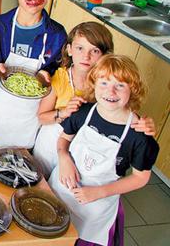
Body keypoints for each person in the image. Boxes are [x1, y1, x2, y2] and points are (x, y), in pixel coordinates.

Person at [49, 55, 159, 246]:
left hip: (95, 207)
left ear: (133, 90)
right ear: (94, 83)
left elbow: (141, 178)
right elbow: (64, 140)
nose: (111, 91)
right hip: (61, 190)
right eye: (104, 83)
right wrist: (64, 157)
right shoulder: (83, 112)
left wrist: (99, 192)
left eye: (120, 85)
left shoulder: (139, 135)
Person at [34, 22, 156, 177]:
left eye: (95, 50)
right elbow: (42, 117)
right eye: (80, 48)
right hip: (51, 143)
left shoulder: (108, 88)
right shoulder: (59, 79)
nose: (86, 56)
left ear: (105, 55)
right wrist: (64, 112)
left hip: (85, 149)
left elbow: (125, 116)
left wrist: (145, 125)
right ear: (69, 49)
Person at [0, 0, 67, 149]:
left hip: (30, 113)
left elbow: (58, 70)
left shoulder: (57, 34)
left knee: (20, 157)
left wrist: (48, 74)